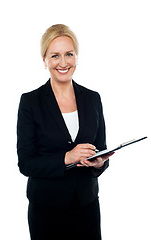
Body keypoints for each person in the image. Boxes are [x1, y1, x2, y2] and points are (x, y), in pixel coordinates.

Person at [17, 24, 114, 240]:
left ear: (77, 57)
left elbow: (101, 149)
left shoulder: (92, 99)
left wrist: (100, 162)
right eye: (55, 56)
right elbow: (25, 163)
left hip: (87, 206)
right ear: (45, 61)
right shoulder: (30, 102)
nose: (63, 62)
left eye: (69, 54)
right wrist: (66, 158)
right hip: (46, 210)